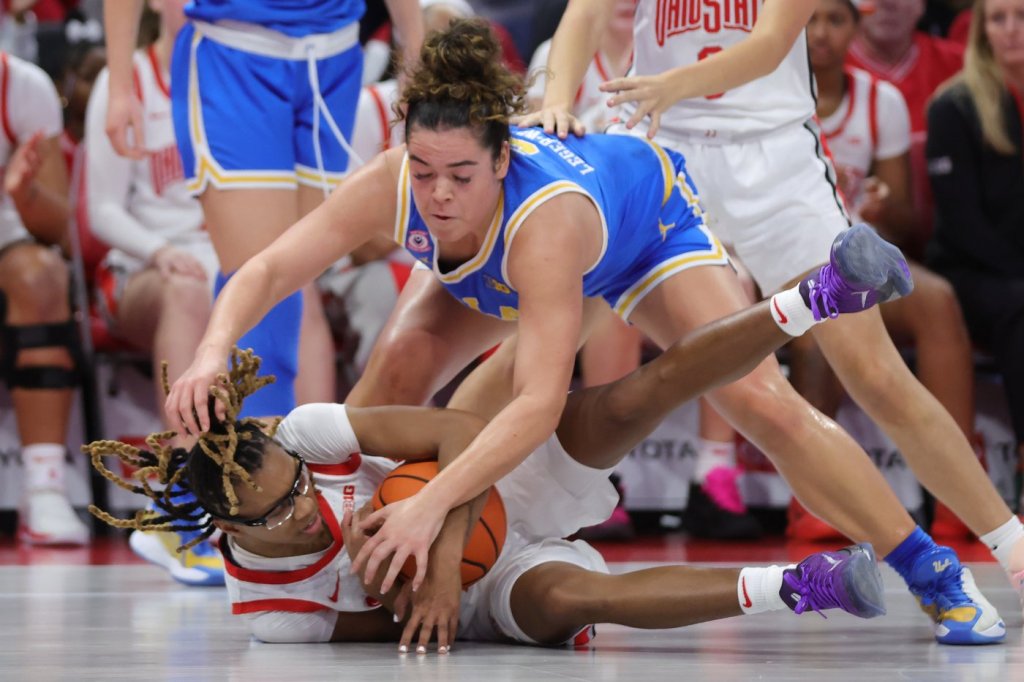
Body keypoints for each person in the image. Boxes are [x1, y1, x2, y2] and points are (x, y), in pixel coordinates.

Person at [166, 19, 999, 645]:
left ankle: (928, 569)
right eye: (423, 173)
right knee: (399, 364)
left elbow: (537, 404)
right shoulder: (401, 180)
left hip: (643, 227)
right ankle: (380, 557)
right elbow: (268, 269)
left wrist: (434, 509)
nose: (438, 195)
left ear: (501, 162)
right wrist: (209, 352)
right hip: (521, 260)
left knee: (757, 401)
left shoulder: (543, 225)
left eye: (460, 175)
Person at [523, 0, 1024, 628]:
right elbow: (584, 16)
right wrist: (556, 101)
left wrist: (670, 84)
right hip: (665, 149)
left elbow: (767, 46)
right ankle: (929, 572)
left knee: (875, 373)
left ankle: (1012, 544)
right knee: (755, 399)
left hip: (775, 158)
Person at [89, 270, 899, 649]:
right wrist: (425, 582)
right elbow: (401, 618)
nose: (304, 509)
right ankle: (806, 586)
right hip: (483, 588)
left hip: (482, 474)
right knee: (579, 598)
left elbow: (454, 436)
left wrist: (437, 546)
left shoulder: (306, 433)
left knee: (631, 399)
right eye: (278, 512)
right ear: (230, 528)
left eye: (298, 487)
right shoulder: (274, 614)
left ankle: (816, 296)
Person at [101, 0, 424, 418]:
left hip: (336, 56)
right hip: (236, 53)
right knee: (261, 279)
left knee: (294, 280)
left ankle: (262, 446)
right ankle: (256, 452)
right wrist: (120, 86)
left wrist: (414, 54)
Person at [799, 0, 979, 540]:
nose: (821, 33)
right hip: (783, 260)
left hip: (858, 260)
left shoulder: (882, 100)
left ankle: (957, 499)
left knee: (937, 300)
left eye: (836, 19)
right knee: (817, 314)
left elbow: (906, 221)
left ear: (856, 28)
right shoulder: (769, 101)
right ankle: (813, 499)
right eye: (810, 19)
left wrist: (882, 206)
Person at [84, 0, 223, 586]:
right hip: (143, 268)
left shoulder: (243, 77)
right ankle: (182, 505)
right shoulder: (126, 81)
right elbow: (102, 210)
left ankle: (296, 503)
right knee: (187, 288)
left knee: (292, 297)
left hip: (226, 265)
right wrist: (160, 249)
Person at [926, 0, 1024, 590]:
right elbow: (961, 223)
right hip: (973, 271)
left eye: (1021, 16)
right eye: (998, 18)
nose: (1011, 30)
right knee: (1018, 307)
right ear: (982, 30)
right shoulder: (955, 104)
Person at [0, 49, 88, 545]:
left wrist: (23, 193)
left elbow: (63, 235)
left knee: (44, 276)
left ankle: (45, 485)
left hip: (7, 248)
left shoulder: (22, 86)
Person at [845, 0, 965, 254]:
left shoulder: (963, 67)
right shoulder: (824, 70)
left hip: (956, 247)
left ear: (923, 5)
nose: (888, 3)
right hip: (856, 249)